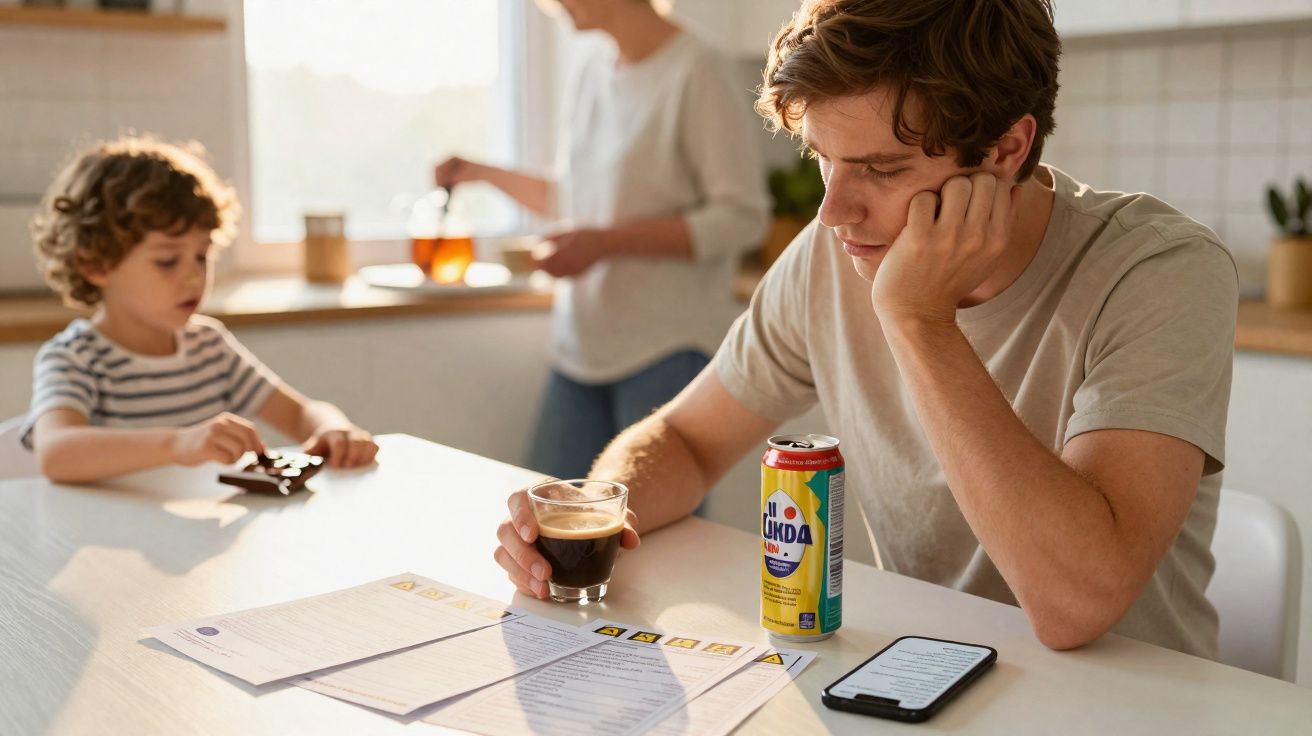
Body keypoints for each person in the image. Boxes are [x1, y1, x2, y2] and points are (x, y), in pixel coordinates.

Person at [494, 0, 1239, 658]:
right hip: (920, 673)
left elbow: (1076, 605)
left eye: (881, 169)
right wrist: (587, 512)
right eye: (824, 158)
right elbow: (686, 441)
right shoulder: (829, 254)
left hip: (1128, 704)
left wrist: (918, 318)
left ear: (1006, 151)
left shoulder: (1160, 270)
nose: (833, 213)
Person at [436, 0, 770, 481]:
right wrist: (481, 173)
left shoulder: (698, 70)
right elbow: (577, 199)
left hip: (667, 351)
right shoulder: (592, 69)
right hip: (582, 346)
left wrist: (605, 243)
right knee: (548, 520)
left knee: (656, 537)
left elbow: (742, 218)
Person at [22, 136, 379, 483]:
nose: (194, 275)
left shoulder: (208, 346)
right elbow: (57, 453)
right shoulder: (75, 359)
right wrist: (179, 442)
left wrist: (333, 428)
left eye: (201, 254)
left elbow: (300, 413)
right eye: (167, 261)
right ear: (95, 265)